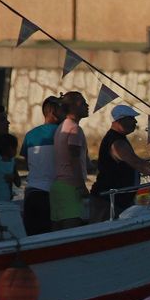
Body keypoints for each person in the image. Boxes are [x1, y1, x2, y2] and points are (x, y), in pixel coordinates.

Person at [91, 104, 150, 219]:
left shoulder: (118, 138)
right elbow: (138, 163)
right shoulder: (117, 143)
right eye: (131, 118)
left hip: (121, 198)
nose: (135, 122)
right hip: (109, 200)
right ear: (120, 120)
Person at [21, 96, 62, 236]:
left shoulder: (29, 135)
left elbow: (28, 163)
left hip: (31, 193)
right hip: (52, 195)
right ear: (53, 111)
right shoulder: (64, 133)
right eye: (63, 109)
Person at [51, 91, 91, 229]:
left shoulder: (62, 127)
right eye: (83, 103)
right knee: (72, 231)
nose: (87, 105)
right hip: (70, 186)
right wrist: (81, 185)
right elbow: (73, 157)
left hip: (58, 185)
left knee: (56, 232)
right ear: (73, 107)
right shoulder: (74, 129)